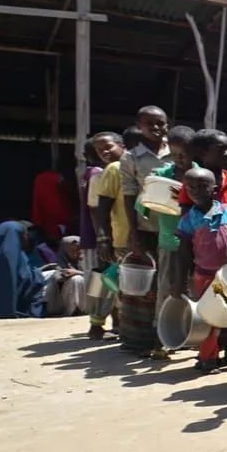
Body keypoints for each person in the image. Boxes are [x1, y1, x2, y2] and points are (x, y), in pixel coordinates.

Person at [140, 124, 197, 358]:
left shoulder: (200, 175)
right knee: (167, 288)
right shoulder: (162, 176)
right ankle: (161, 337)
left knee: (193, 288)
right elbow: (143, 205)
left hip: (196, 243)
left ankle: (188, 334)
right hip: (169, 241)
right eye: (175, 154)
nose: (180, 159)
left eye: (184, 154)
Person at [119, 106, 170, 357]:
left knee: (169, 283)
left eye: (161, 122)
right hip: (147, 229)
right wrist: (134, 235)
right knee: (144, 288)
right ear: (139, 126)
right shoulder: (131, 158)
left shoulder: (178, 150)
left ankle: (168, 334)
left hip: (175, 229)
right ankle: (140, 339)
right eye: (150, 123)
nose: (157, 127)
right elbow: (129, 197)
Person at [174, 164, 227, 374]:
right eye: (191, 188)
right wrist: (180, 281)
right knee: (210, 318)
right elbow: (182, 254)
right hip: (206, 277)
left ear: (215, 188)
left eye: (202, 186)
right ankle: (208, 358)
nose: (196, 191)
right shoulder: (188, 220)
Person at [94, 132, 134, 346]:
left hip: (128, 235)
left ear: (121, 145)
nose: (104, 153)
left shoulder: (125, 166)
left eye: (108, 147)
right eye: (100, 151)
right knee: (120, 285)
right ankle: (114, 326)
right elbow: (102, 207)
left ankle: (118, 325)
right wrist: (102, 238)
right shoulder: (113, 169)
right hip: (123, 236)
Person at [78, 137, 112, 338]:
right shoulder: (99, 174)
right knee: (101, 280)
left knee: (100, 279)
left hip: (90, 236)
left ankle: (100, 323)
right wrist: (102, 238)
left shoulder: (88, 173)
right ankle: (96, 325)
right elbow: (95, 210)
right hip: (97, 238)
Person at [0, 221, 47, 319]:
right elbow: (27, 281)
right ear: (18, 235)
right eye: (25, 235)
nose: (27, 238)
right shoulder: (16, 257)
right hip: (20, 309)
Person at [42, 236, 85, 316]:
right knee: (76, 279)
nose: (76, 253)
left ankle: (83, 309)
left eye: (78, 250)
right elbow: (58, 278)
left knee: (78, 278)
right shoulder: (61, 261)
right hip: (64, 299)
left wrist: (76, 272)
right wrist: (66, 275)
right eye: (72, 250)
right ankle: (73, 310)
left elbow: (93, 277)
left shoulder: (86, 260)